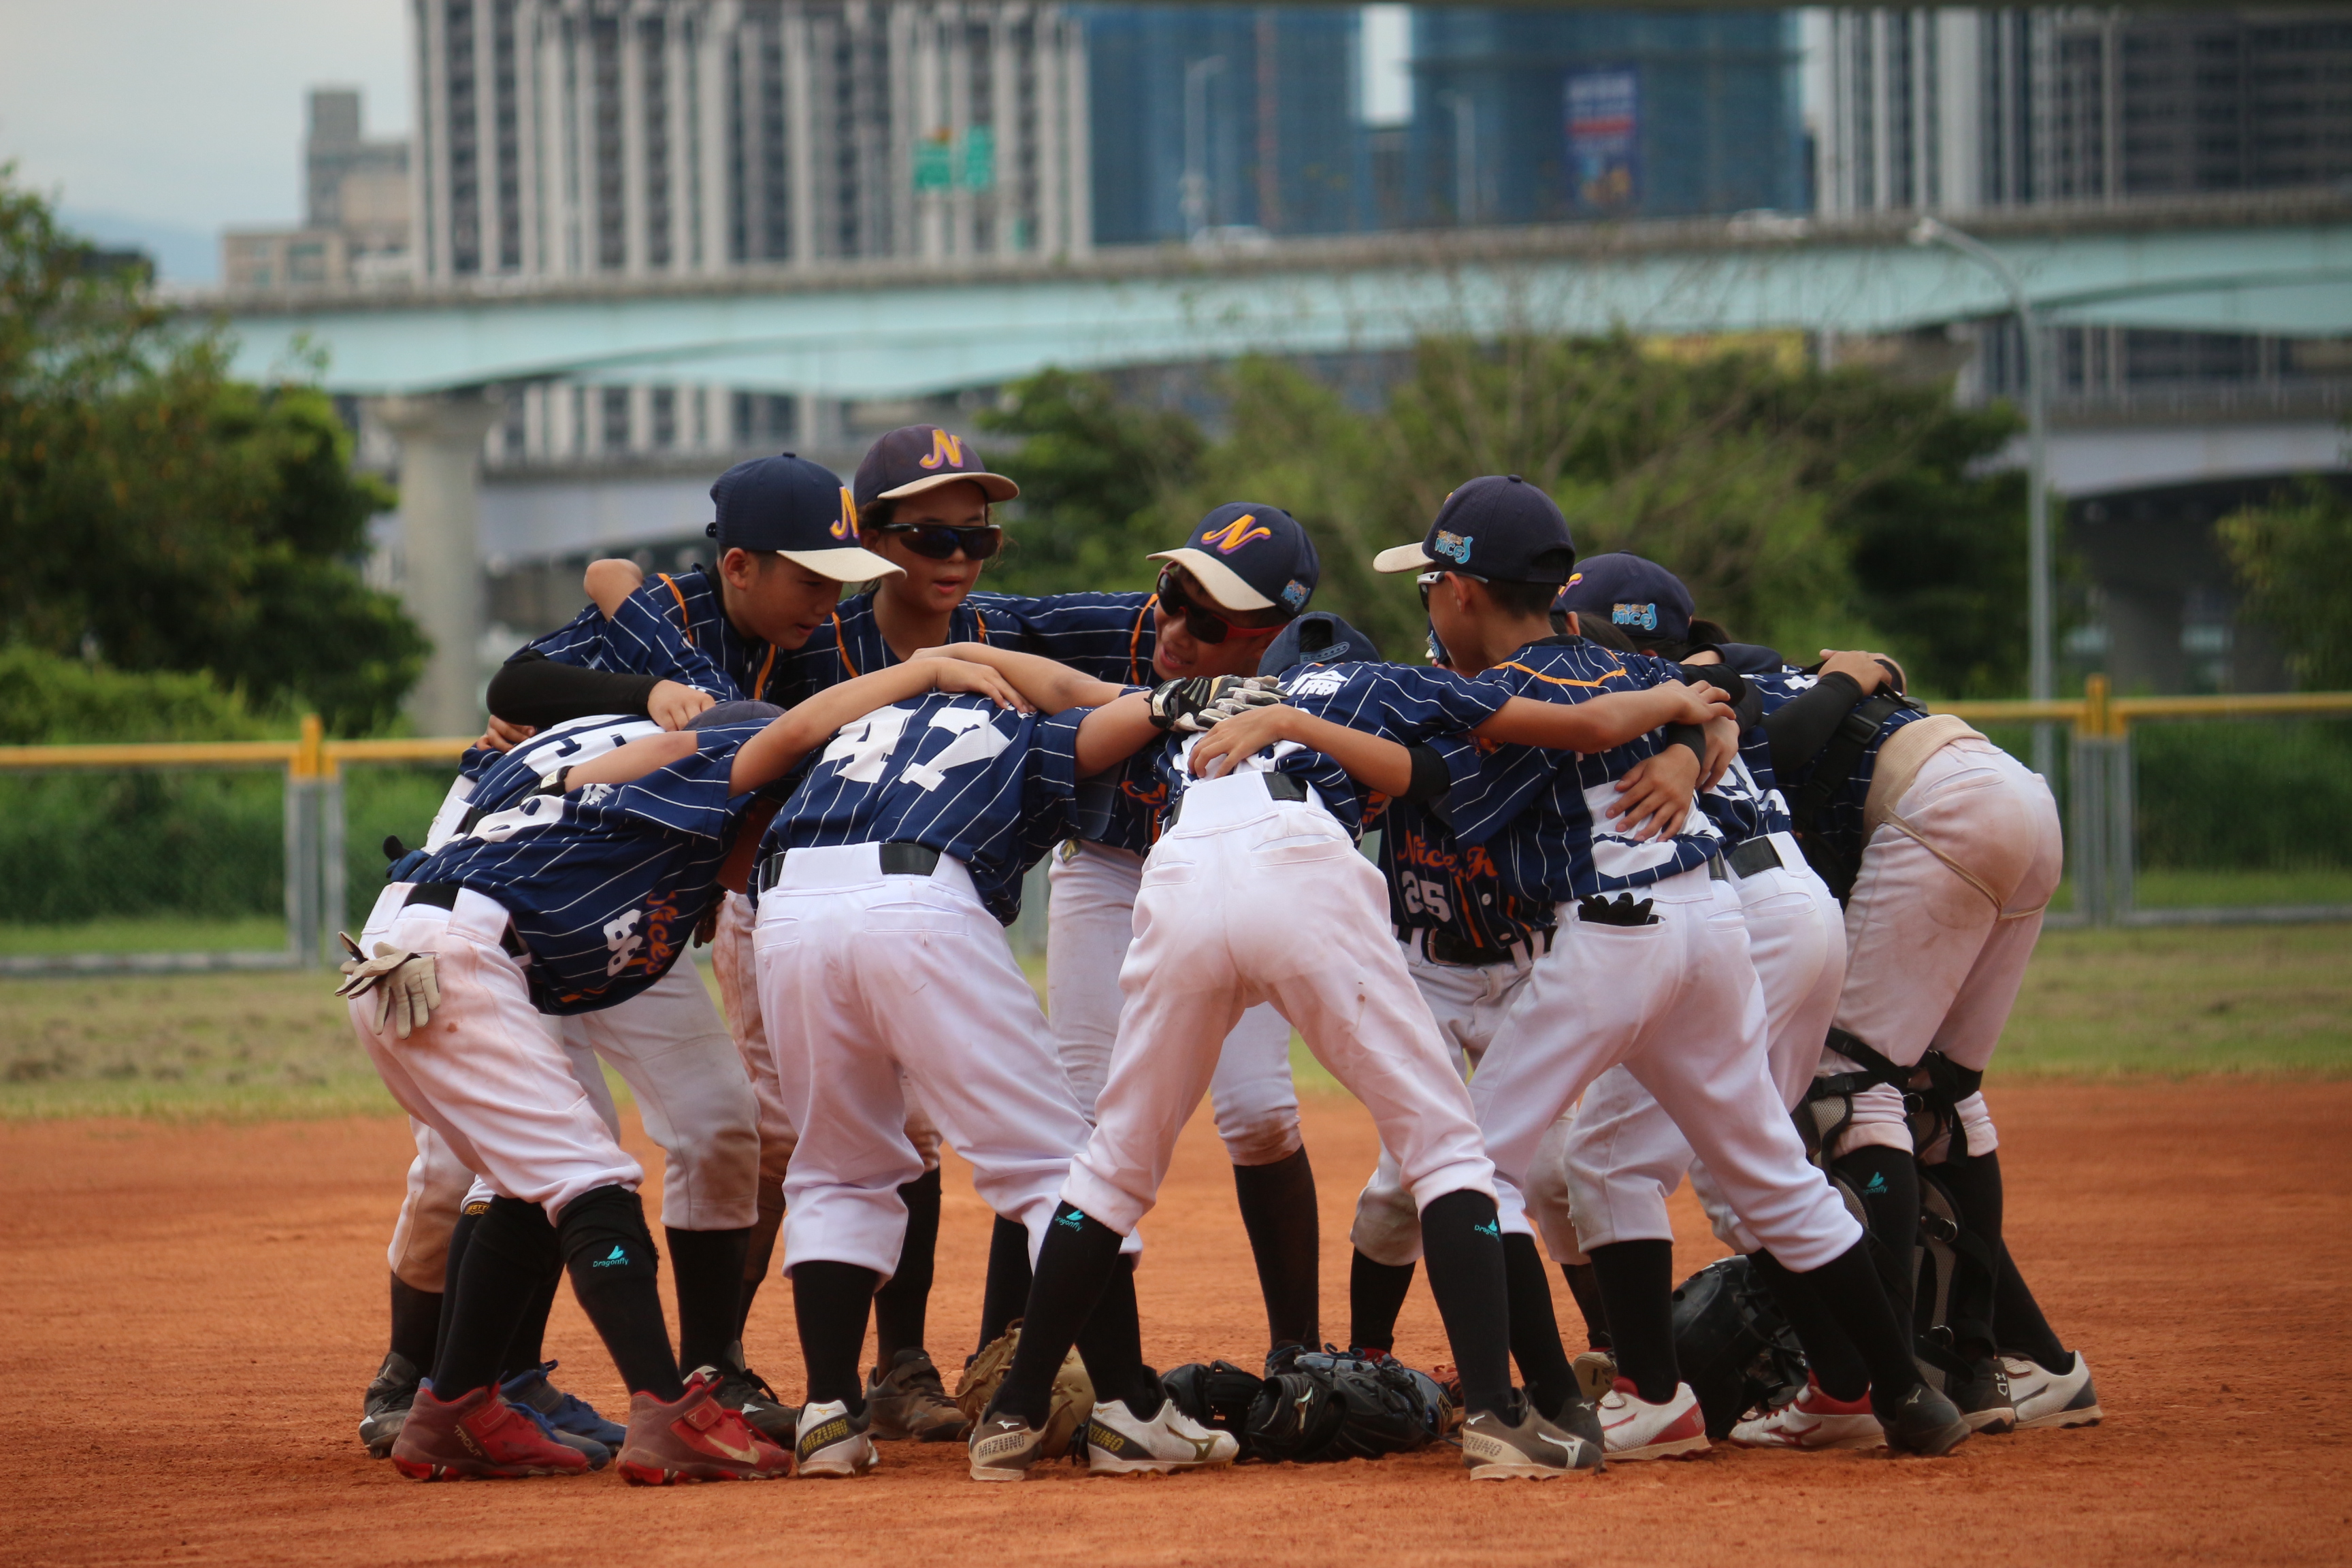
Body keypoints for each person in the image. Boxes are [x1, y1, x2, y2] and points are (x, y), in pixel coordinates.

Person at [956, 594, 1735, 1481]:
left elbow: (1067, 685)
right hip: (1296, 857)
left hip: (1177, 873)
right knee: (1447, 1148)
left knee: (1114, 1163)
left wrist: (947, 664)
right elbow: (1587, 723)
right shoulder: (1385, 681)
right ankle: (1496, 1416)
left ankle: (1010, 1418)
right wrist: (1680, 706)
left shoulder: (1220, 694)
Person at [1375, 476, 1974, 1460]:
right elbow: (1716, 703)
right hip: (1714, 929)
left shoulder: (1503, 692)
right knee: (1772, 1171)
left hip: (1618, 940)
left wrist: (1299, 728)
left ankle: (1556, 1407)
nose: (1429, 604)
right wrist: (1696, 743)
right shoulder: (1615, 661)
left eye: (1432, 581)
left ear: (1466, 593)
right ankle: (1909, 1396)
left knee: (1475, 1168)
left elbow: (1444, 775)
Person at [355, 650, 1026, 1483]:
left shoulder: (580, 758)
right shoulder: (706, 761)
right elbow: (798, 728)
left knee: (526, 1182)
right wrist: (922, 672)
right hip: (457, 961)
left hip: (405, 954)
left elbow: (590, 789)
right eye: (780, 820)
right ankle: (668, 1411)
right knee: (592, 1179)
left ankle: (454, 1406)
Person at [746, 645, 1246, 1477]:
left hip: (788, 911)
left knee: (835, 1166)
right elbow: (1100, 728)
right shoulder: (1018, 721)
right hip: (915, 900)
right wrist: (1170, 702)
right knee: (1060, 1169)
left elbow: (787, 737)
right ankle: (1129, 1412)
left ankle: (830, 1415)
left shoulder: (871, 717)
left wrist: (936, 664)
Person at [1725, 602, 2094, 1443]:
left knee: (1848, 1086)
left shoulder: (1713, 706)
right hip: (2017, 796)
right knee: (1939, 1091)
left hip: (1940, 811)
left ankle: (1868, 1381)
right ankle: (2006, 1363)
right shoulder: (1782, 678)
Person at [1533, 555, 1856, 1450]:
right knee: (1751, 1166)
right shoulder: (1712, 685)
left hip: (1737, 922)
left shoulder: (1617, 701)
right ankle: (1857, 1383)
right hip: (1798, 908)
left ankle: (1653, 1394)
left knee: (1607, 1158)